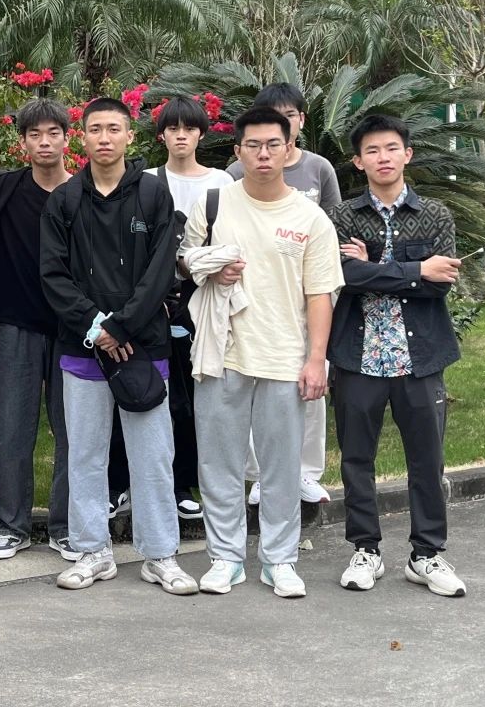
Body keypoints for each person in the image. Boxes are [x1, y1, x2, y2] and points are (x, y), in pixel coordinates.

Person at [39, 98, 196, 595]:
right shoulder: (65, 200)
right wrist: (97, 327)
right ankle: (92, 551)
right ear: (82, 138)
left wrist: (122, 328)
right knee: (85, 454)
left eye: (114, 128)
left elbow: (160, 274)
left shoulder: (153, 194)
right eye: (95, 129)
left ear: (130, 136)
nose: (104, 138)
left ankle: (161, 554)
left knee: (153, 456)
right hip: (82, 347)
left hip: (143, 347)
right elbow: (53, 275)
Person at [185, 106, 343, 599]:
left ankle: (280, 559)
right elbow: (187, 261)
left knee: (282, 468)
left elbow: (320, 294)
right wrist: (212, 269)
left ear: (289, 147)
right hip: (221, 353)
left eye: (274, 144)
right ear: (238, 151)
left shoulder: (310, 217)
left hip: (284, 358)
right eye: (252, 145)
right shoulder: (213, 203)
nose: (263, 154)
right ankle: (225, 558)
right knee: (219, 464)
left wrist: (316, 359)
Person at [328, 115, 467, 597]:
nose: (382, 157)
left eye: (391, 148)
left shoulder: (436, 215)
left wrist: (374, 267)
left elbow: (440, 284)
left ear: (407, 154)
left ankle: (426, 554)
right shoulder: (343, 216)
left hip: (420, 356)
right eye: (372, 150)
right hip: (358, 355)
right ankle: (365, 549)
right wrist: (415, 268)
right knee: (356, 458)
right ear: (358, 161)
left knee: (427, 460)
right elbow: (343, 276)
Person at [0, 99, 75, 562]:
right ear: (23, 141)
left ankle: (66, 526)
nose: (44, 142)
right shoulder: (1, 188)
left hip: (74, 329)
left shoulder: (83, 193)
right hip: (17, 325)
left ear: (67, 137)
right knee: (10, 428)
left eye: (53, 133)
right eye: (35, 134)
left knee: (73, 432)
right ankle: (12, 526)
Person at [227, 83, 341, 508]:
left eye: (290, 115)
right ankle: (260, 474)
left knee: (309, 380)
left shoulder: (318, 168)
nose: (266, 150)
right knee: (252, 387)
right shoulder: (235, 172)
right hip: (253, 298)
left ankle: (306, 471)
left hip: (306, 293)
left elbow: (332, 224)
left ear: (300, 121)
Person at [145, 97, 233, 520]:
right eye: (173, 128)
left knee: (199, 397)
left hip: (206, 299)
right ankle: (143, 483)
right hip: (155, 302)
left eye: (190, 128)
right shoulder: (147, 180)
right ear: (161, 135)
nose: (181, 136)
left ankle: (188, 483)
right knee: (156, 394)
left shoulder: (221, 183)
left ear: (201, 133)